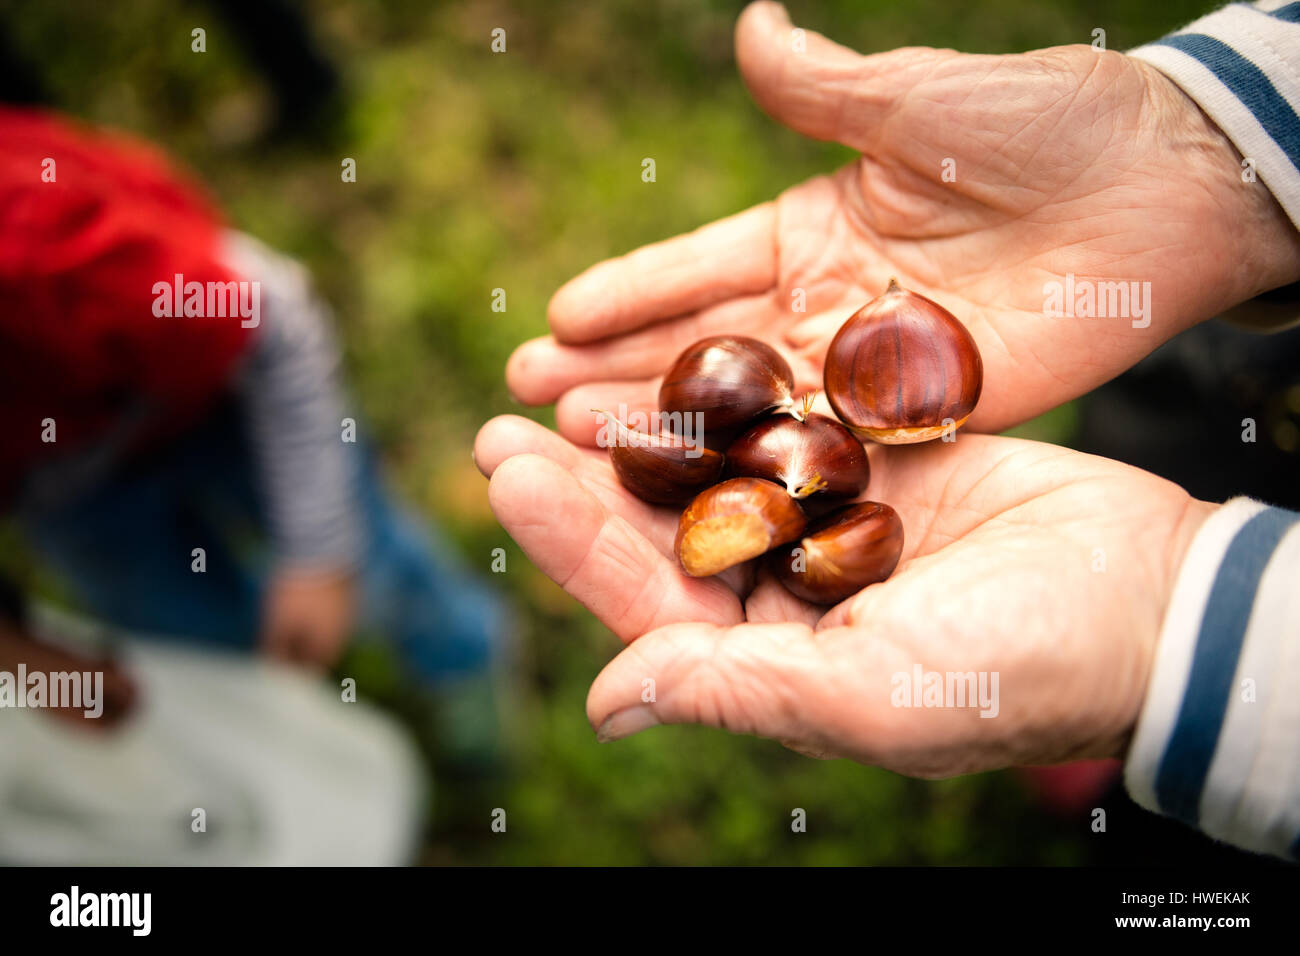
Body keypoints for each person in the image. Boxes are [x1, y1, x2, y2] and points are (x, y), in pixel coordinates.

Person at [477, 1, 1300, 859]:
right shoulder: (793, 452)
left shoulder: (800, 456)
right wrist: (1217, 141)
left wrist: (1187, 630)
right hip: (1230, 393)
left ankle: (1161, 745)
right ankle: (1133, 736)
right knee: (1171, 428)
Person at [0, 107, 507, 753]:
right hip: (61, 494)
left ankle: (458, 660)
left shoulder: (40, 250)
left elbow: (274, 318)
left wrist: (320, 553)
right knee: (183, 637)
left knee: (374, 563)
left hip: (213, 395)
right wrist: (18, 652)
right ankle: (282, 730)